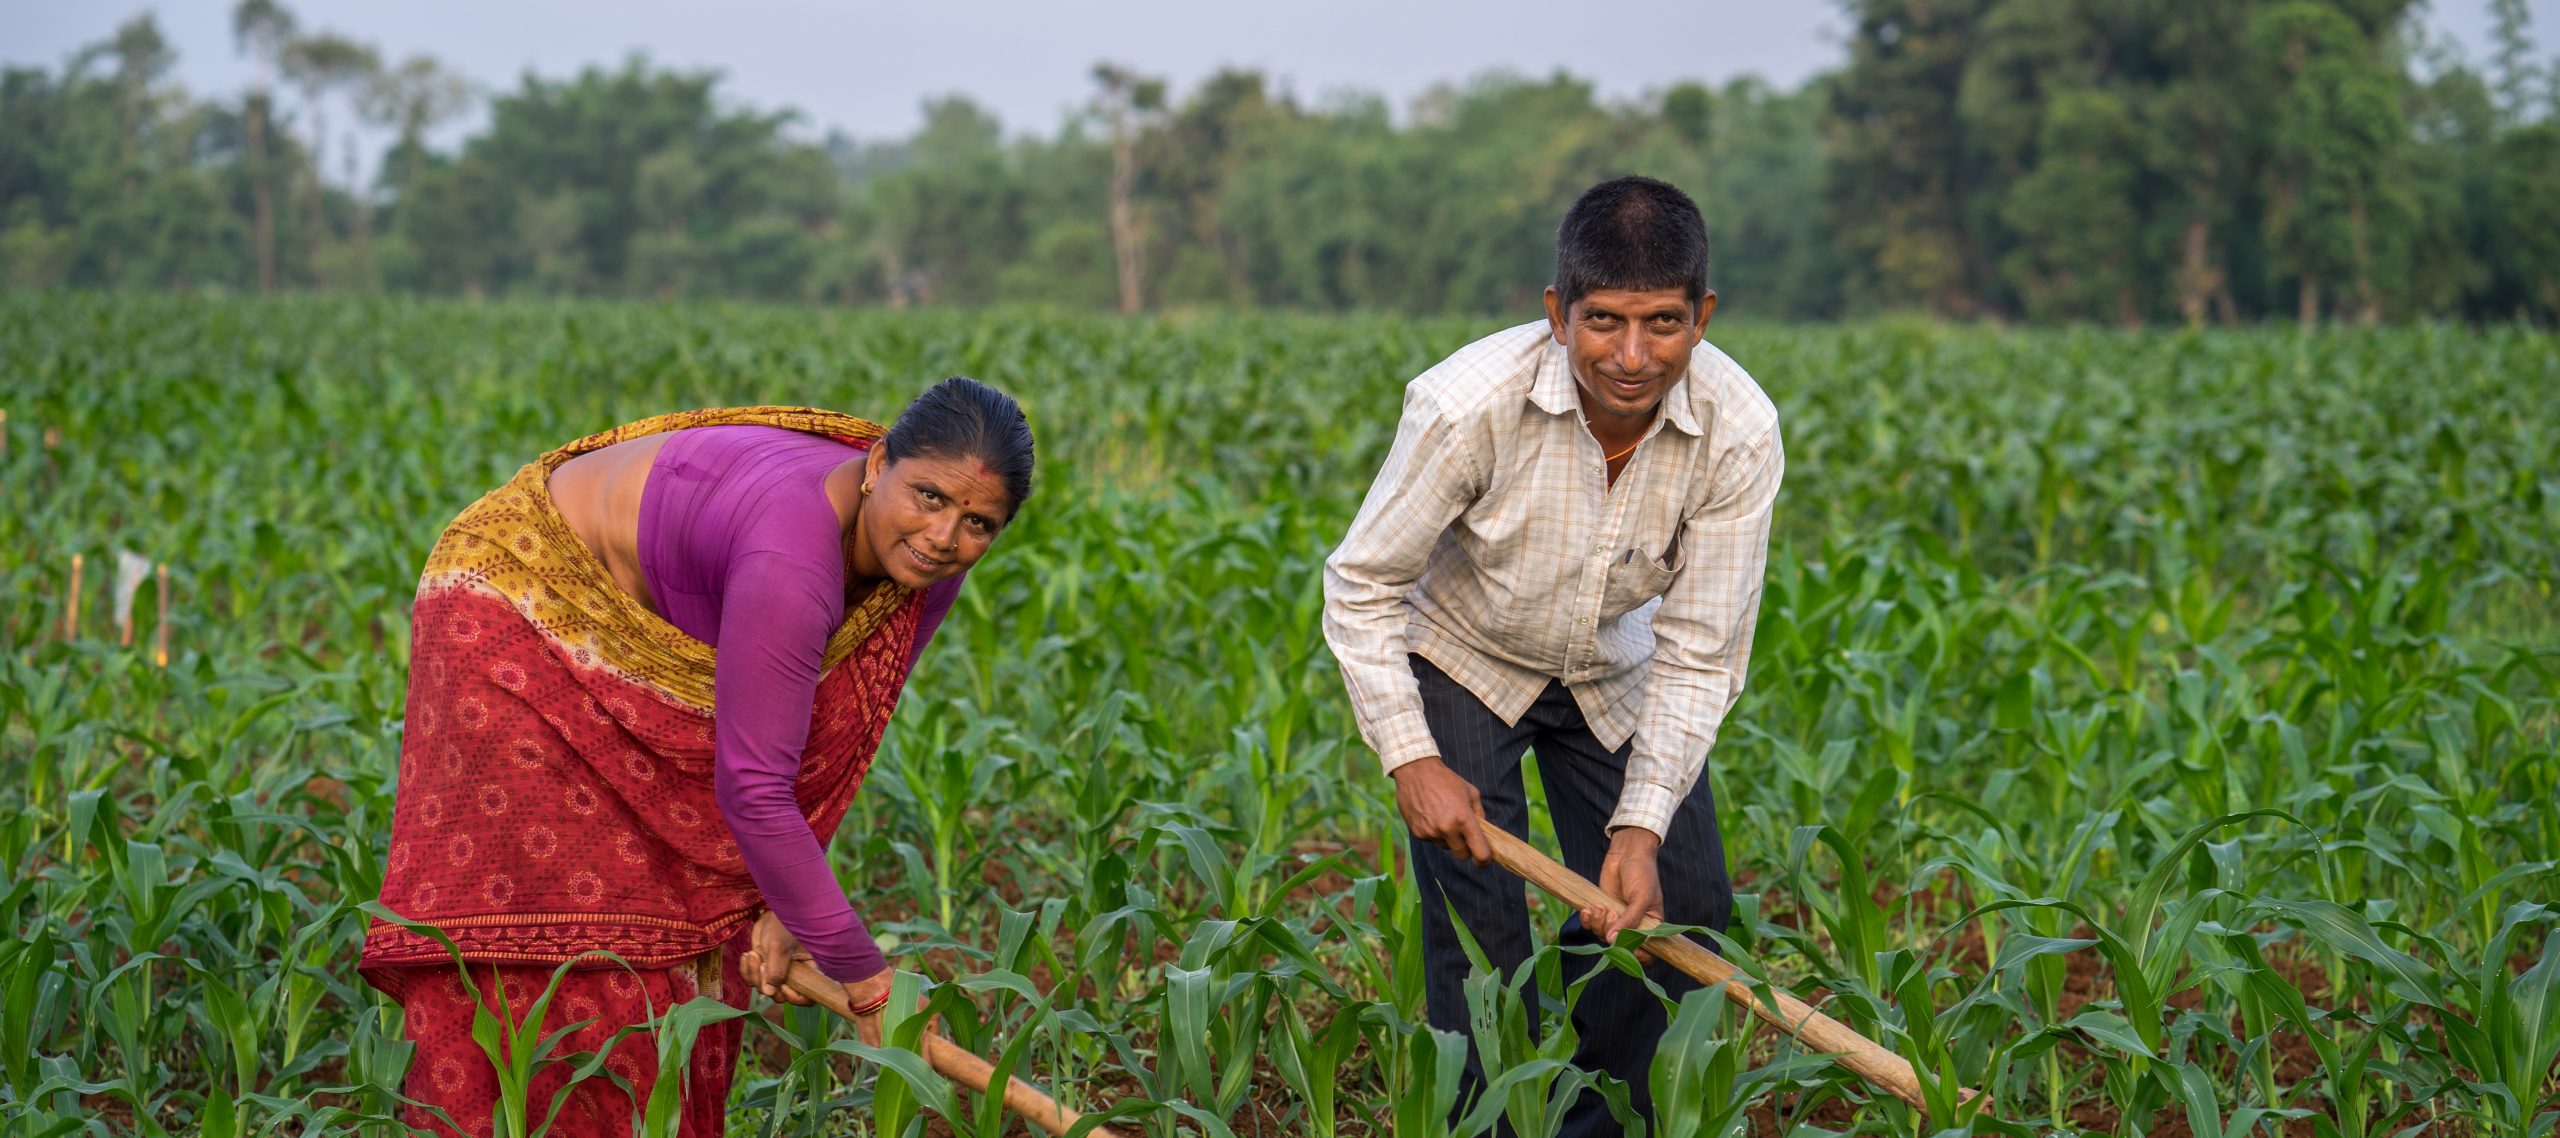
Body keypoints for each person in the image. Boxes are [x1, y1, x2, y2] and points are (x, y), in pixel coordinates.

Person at [360, 380, 1034, 1137]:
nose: (945, 536)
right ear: (878, 463)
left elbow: (848, 724)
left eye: (979, 522)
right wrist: (868, 980)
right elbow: (753, 789)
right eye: (929, 497)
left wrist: (790, 909)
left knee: (687, 921)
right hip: (515, 600)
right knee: (581, 922)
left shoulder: (920, 559)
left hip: (644, 621)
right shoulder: (793, 555)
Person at [1321, 175, 1781, 1135]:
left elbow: (1700, 653)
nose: (1632, 355)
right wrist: (1412, 758)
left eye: (1662, 322)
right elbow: (1360, 584)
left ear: (1703, 316)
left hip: (1614, 663)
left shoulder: (1738, 432)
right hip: (1466, 651)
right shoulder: (1466, 405)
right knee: (1480, 934)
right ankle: (1486, 1126)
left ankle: (1596, 1121)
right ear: (1555, 314)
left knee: (1679, 904)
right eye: (1603, 321)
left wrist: (1640, 827)